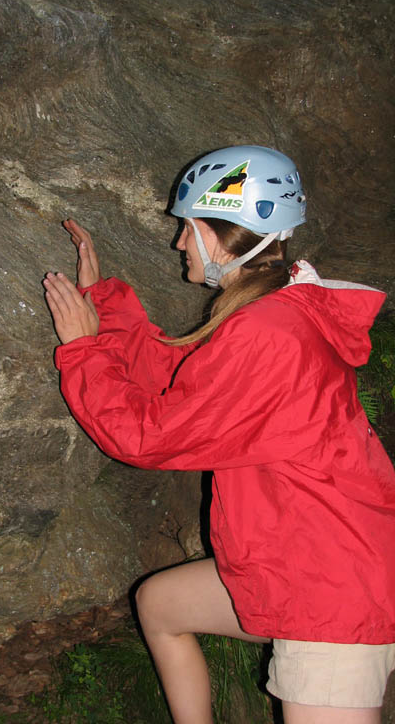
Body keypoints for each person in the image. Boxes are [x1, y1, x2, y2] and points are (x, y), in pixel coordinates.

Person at [42, 145, 395, 724]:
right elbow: (178, 375)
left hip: (330, 586)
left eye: (187, 227)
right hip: (300, 557)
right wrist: (100, 302)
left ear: (218, 233)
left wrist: (82, 351)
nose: (179, 242)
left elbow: (149, 436)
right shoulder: (273, 311)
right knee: (161, 605)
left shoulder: (270, 333)